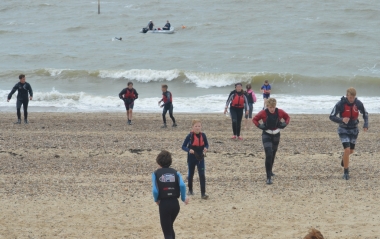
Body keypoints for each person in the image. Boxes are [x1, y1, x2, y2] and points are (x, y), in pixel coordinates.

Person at [329, 87, 368, 180]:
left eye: (353, 97)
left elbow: (365, 114)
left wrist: (366, 124)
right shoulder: (340, 104)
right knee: (347, 150)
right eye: (350, 97)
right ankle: (346, 172)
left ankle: (344, 159)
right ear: (347, 96)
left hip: (354, 129)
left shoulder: (358, 103)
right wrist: (341, 119)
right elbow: (331, 116)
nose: (351, 99)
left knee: (351, 151)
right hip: (343, 129)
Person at [152, 150, 189, 239]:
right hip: (175, 205)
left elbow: (155, 191)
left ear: (158, 162)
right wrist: (184, 198)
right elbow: (182, 185)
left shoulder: (155, 174)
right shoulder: (176, 172)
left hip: (164, 204)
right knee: (169, 227)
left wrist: (156, 200)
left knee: (167, 233)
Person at [253, 98, 290, 185]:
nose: (272, 109)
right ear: (267, 106)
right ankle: (268, 177)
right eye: (270, 107)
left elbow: (287, 117)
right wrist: (259, 126)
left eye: (273, 107)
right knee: (268, 153)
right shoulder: (263, 113)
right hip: (266, 134)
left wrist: (285, 123)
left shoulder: (280, 111)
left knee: (273, 153)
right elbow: (255, 119)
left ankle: (270, 170)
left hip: (276, 134)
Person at [181, 119, 209, 199]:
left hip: (200, 158)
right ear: (192, 127)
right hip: (191, 158)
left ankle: (203, 193)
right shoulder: (189, 136)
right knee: (191, 174)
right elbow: (183, 146)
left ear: (201, 127)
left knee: (202, 175)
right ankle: (190, 190)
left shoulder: (203, 135)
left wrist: (206, 148)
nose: (197, 128)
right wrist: (189, 150)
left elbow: (207, 144)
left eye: (199, 126)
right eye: (196, 126)